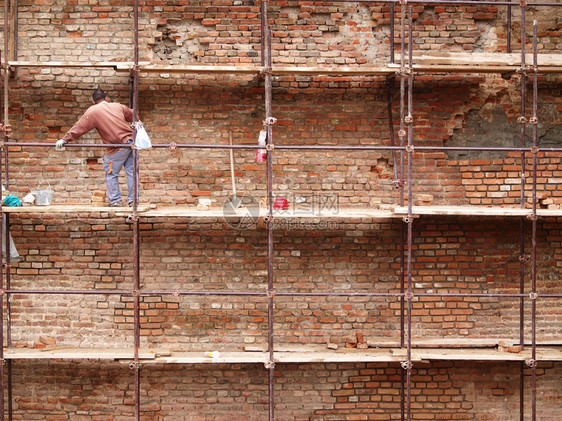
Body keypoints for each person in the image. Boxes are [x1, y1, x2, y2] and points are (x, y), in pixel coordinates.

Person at [56, 88, 136, 207]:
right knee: (132, 172)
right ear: (106, 99)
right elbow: (134, 115)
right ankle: (133, 201)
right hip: (132, 143)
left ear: (93, 102)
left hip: (117, 146)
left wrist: (64, 139)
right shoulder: (118, 106)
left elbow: (80, 127)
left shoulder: (93, 111)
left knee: (111, 174)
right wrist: (136, 124)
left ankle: (115, 201)